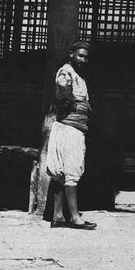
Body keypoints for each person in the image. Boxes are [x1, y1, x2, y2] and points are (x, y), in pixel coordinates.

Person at [44, 41, 95, 230]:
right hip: (69, 129)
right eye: (80, 55)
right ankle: (74, 216)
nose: (83, 59)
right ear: (71, 54)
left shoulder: (79, 75)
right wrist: (68, 100)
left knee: (61, 172)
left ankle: (58, 216)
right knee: (70, 170)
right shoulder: (66, 72)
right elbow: (62, 86)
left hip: (70, 127)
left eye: (86, 57)